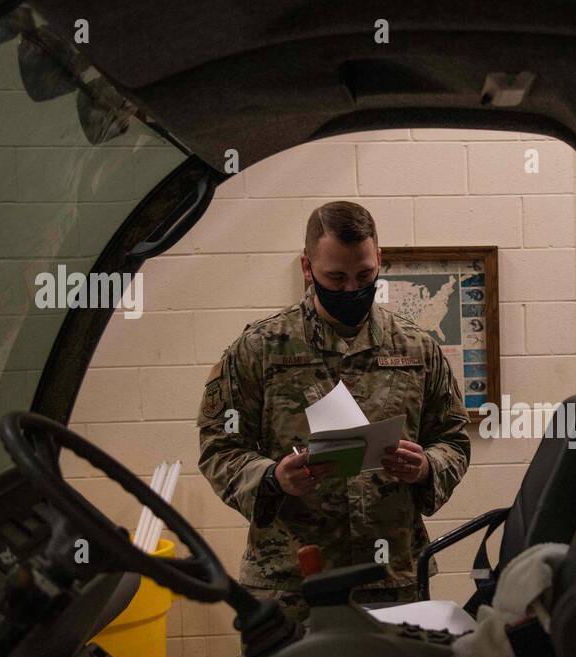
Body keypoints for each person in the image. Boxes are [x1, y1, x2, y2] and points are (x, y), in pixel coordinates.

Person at [197, 201, 470, 627]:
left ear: (379, 259)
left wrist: (426, 467)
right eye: (335, 278)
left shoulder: (417, 349)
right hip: (291, 579)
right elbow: (219, 447)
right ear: (308, 268)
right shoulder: (260, 349)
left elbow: (452, 438)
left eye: (363, 276)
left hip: (391, 577)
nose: (350, 289)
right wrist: (272, 478)